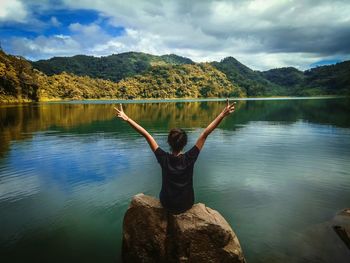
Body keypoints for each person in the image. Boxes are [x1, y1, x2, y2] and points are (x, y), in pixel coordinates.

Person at [114, 99, 236, 214]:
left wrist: (127, 118)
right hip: (186, 204)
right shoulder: (190, 158)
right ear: (184, 143)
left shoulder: (163, 158)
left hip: (167, 204)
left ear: (169, 142)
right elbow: (205, 134)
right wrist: (222, 115)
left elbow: (146, 135)